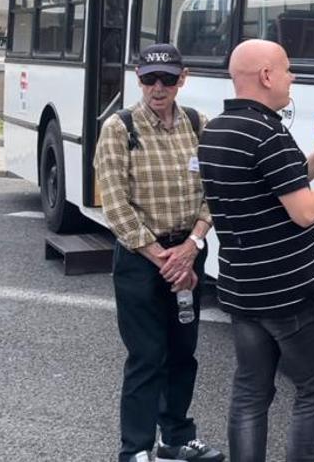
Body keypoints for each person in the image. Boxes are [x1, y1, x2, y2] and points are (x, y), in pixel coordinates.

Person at [198, 39, 314, 462]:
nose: (292, 77)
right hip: (292, 293)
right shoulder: (268, 133)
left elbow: (279, 182)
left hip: (243, 291)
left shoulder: (217, 132)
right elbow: (304, 211)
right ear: (266, 76)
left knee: (251, 391)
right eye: (286, 69)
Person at [94, 43, 224, 462]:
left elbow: (215, 191)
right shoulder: (119, 127)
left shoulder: (197, 124)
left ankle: (176, 438)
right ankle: (135, 449)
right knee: (147, 355)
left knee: (183, 352)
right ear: (138, 78)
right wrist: (165, 259)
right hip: (141, 259)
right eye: (150, 78)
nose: (158, 87)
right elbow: (114, 202)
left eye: (168, 78)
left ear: (182, 78)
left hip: (188, 251)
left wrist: (192, 245)